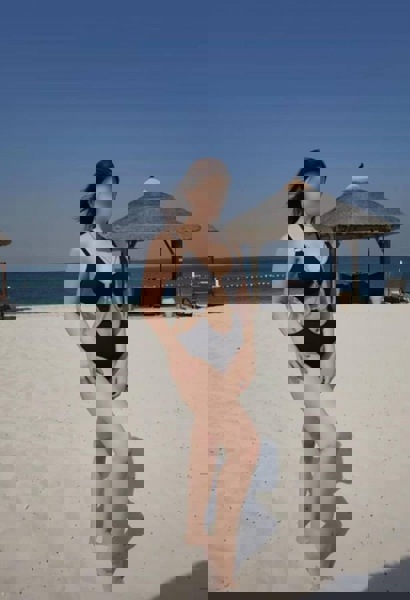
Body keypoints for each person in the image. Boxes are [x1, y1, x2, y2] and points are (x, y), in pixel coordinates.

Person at [141, 159, 260, 592]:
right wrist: (178, 350)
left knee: (213, 440)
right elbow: (153, 305)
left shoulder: (202, 242)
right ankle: (217, 537)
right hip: (197, 360)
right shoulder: (167, 246)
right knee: (241, 445)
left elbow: (228, 299)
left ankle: (203, 529)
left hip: (216, 355)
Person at [271, 154, 347, 585]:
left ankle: (314, 532)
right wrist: (300, 336)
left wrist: (330, 343)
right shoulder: (292, 240)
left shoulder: (324, 241)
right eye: (315, 189)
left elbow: (329, 298)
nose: (320, 197)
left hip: (322, 337)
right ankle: (315, 539)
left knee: (316, 438)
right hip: (304, 340)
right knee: (323, 436)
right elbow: (284, 298)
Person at [65, 161, 140, 589]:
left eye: (114, 196)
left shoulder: (118, 243)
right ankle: (107, 541)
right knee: (108, 433)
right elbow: (79, 300)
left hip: (117, 332)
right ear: (92, 204)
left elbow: (123, 300)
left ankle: (108, 530)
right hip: (98, 333)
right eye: (105, 197)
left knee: (111, 428)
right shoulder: (87, 243)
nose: (110, 204)